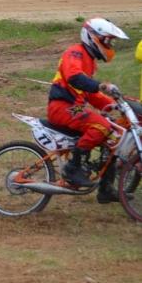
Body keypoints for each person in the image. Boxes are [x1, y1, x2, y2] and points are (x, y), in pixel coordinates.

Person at [49, 19, 129, 201]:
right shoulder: (75, 52)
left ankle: (106, 189)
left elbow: (90, 93)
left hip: (74, 108)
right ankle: (73, 168)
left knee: (113, 134)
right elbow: (74, 77)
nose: (109, 45)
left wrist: (116, 104)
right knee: (102, 126)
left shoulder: (90, 61)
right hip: (62, 107)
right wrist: (101, 86)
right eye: (107, 41)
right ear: (93, 37)